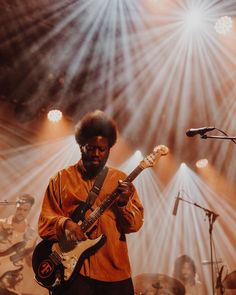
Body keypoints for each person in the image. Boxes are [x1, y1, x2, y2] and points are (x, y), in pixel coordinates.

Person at [37, 110, 144, 295]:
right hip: (73, 275)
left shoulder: (121, 180)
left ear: (109, 149)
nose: (96, 154)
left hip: (115, 273)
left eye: (102, 149)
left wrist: (123, 203)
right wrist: (66, 224)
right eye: (91, 148)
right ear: (81, 147)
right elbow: (44, 223)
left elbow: (134, 225)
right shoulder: (60, 179)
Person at [0, 194, 37, 295]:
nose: (21, 212)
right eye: (19, 209)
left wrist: (30, 256)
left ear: (30, 210)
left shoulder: (32, 235)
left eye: (25, 210)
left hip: (12, 283)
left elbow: (30, 263)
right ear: (15, 206)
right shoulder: (1, 224)